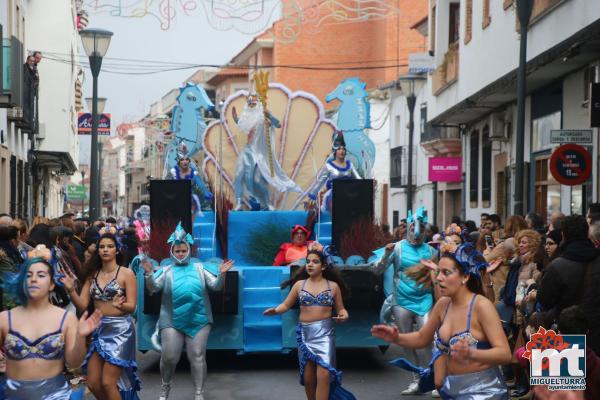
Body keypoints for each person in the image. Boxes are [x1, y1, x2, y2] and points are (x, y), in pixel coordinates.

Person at [372, 242, 511, 399]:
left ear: (465, 277)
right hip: (450, 392)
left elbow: (505, 354)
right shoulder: (443, 304)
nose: (438, 278)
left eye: (446, 273)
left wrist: (472, 353)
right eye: (438, 272)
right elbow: (422, 337)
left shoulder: (481, 306)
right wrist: (396, 337)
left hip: (483, 393)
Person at [141, 223, 234, 400]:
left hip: (199, 318)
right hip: (171, 319)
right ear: (172, 252)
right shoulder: (166, 270)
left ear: (189, 250)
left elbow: (215, 287)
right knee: (169, 357)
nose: (181, 254)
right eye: (177, 251)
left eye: (184, 250)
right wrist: (148, 275)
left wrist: (222, 274)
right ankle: (165, 386)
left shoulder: (200, 268)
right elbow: (154, 288)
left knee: (197, 356)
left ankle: (199, 393)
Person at [0, 246, 102, 399]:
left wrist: (81, 337)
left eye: (41, 275)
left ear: (52, 284)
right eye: (28, 275)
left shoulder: (66, 318)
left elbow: (74, 362)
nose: (33, 279)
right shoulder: (5, 318)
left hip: (55, 396)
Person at [263, 249, 355, 400]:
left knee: (324, 374)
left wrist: (344, 315)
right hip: (305, 334)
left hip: (325, 334)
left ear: (324, 266)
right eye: (308, 261)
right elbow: (286, 305)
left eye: (315, 262)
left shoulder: (333, 286)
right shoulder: (299, 285)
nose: (310, 265)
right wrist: (276, 310)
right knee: (308, 378)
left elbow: (341, 309)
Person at [62, 233, 140, 399]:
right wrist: (70, 290)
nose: (105, 250)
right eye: (102, 247)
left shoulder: (126, 274)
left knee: (107, 382)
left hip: (121, 331)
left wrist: (121, 305)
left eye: (110, 246)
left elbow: (132, 307)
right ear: (97, 251)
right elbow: (82, 305)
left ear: (117, 250)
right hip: (99, 330)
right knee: (93, 383)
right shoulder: (92, 275)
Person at [371, 207, 437, 395]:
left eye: (420, 230)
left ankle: (432, 378)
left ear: (425, 231)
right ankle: (416, 380)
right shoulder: (398, 247)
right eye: (412, 230)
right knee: (406, 341)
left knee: (427, 341)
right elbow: (377, 270)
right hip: (402, 301)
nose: (416, 235)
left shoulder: (431, 250)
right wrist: (385, 254)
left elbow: (438, 276)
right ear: (407, 229)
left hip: (425, 299)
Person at [538, 215, 600, 356]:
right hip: (597, 331)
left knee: (571, 375)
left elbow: (545, 301)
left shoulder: (558, 266)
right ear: (587, 233)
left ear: (563, 235)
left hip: (569, 336)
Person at [231, 90, 300, 211]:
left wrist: (270, 116)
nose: (251, 105)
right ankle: (239, 202)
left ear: (258, 104)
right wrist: (235, 118)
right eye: (249, 103)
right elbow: (242, 123)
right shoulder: (246, 117)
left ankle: (266, 203)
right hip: (247, 151)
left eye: (253, 103)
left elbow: (278, 124)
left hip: (258, 154)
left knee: (257, 180)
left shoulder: (263, 118)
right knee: (238, 175)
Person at [305, 131, 361, 212]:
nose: (342, 151)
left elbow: (359, 179)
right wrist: (311, 196)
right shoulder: (329, 166)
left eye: (343, 149)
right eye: (339, 149)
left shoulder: (350, 165)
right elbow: (320, 182)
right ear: (335, 151)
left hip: (349, 192)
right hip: (333, 193)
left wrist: (369, 183)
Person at [168, 142, 213, 215]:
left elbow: (202, 187)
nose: (185, 162)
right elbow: (168, 188)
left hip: (192, 202)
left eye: (186, 160)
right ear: (179, 162)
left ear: (189, 161)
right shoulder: (173, 173)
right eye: (182, 160)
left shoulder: (193, 173)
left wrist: (207, 196)